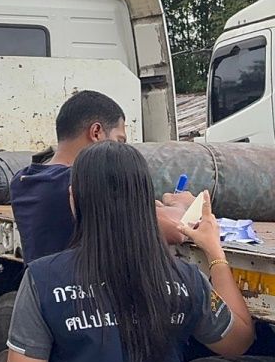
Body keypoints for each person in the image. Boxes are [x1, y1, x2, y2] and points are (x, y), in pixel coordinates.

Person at [3, 141, 255, 362]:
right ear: (146, 201)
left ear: (74, 197)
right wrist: (215, 252)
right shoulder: (185, 279)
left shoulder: (43, 279)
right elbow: (238, 341)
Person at [10, 90, 189, 264]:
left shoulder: (23, 181)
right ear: (96, 132)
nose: (121, 150)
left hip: (46, 289)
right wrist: (181, 204)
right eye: (119, 141)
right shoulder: (86, 182)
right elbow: (176, 229)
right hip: (88, 290)